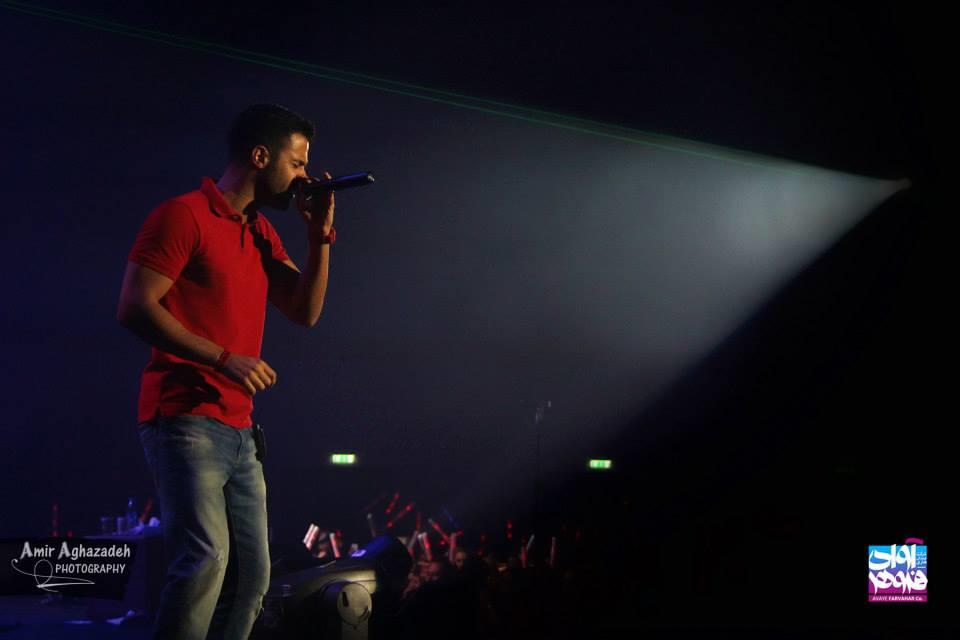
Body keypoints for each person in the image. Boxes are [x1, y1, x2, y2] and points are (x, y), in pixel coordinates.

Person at [117, 103, 335, 639]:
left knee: (253, 577)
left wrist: (318, 237)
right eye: (298, 163)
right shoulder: (183, 215)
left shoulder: (261, 232)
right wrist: (222, 357)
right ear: (260, 156)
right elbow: (135, 306)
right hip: (185, 417)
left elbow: (305, 311)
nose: (304, 176)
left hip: (240, 428)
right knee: (205, 561)